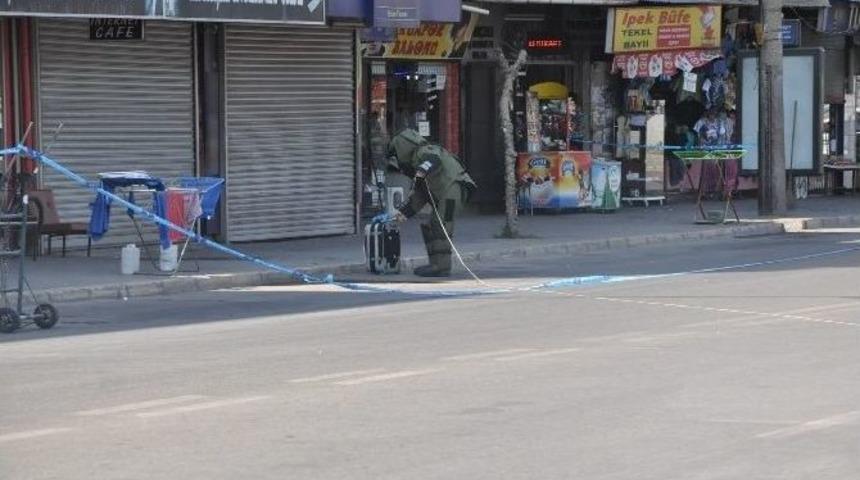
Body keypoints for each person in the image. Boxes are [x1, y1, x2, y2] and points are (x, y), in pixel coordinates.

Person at [383, 128, 476, 277]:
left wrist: (422, 170)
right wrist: (403, 214)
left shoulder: (424, 151)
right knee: (432, 225)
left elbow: (433, 160)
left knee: (441, 225)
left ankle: (441, 267)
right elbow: (420, 197)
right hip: (448, 191)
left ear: (402, 148)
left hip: (453, 189)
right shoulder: (415, 163)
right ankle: (436, 264)